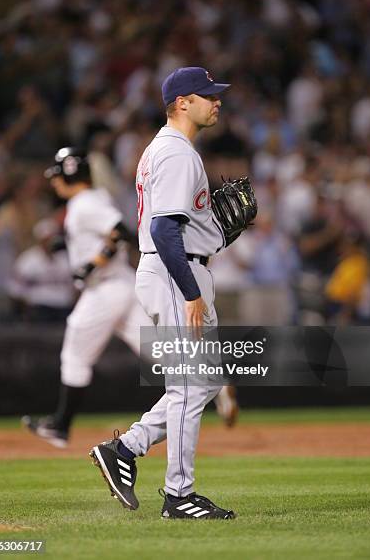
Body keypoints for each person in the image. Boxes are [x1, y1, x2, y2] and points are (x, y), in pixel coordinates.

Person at [90, 67, 237, 520]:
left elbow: (176, 226)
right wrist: (191, 292)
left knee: (205, 381)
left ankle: (125, 448)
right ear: (182, 102)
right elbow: (163, 229)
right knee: (190, 382)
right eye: (207, 95)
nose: (217, 102)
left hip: (177, 267)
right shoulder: (175, 153)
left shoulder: (168, 150)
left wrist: (210, 234)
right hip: (175, 274)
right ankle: (179, 495)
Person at [22, 147, 151, 447]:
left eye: (56, 176)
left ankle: (60, 426)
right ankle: (209, 381)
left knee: (75, 353)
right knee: (158, 349)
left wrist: (94, 263)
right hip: (121, 283)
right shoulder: (94, 198)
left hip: (105, 288)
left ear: (67, 176)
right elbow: (111, 233)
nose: (53, 183)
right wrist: (67, 247)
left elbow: (121, 233)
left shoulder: (84, 203)